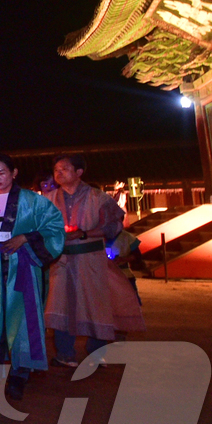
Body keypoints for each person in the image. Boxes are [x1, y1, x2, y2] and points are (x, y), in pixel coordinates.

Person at [0, 153, 65, 401]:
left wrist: (26, 238)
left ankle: (20, 371)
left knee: (22, 316)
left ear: (14, 173)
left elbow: (55, 227)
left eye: (2, 173)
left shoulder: (33, 201)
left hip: (23, 265)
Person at [42, 155, 145, 367]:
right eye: (56, 170)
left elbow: (113, 225)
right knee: (62, 304)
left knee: (96, 304)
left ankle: (96, 354)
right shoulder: (48, 199)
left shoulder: (98, 198)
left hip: (92, 259)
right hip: (61, 261)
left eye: (64, 169)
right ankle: (64, 353)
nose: (58, 173)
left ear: (79, 172)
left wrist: (84, 233)